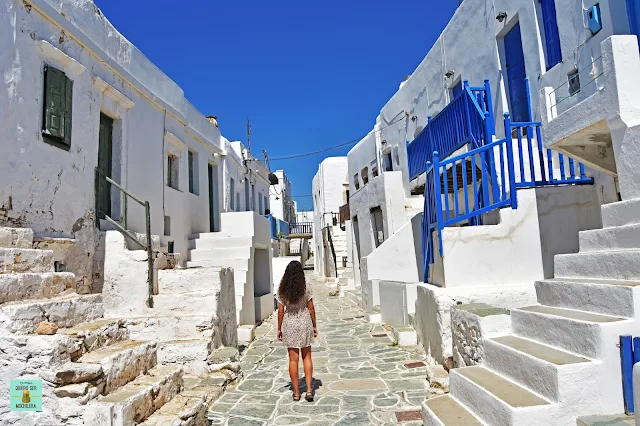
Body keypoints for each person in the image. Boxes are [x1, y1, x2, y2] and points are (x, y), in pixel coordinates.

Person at [276, 261, 318, 402]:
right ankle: (309, 390)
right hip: (304, 321)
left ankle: (296, 393)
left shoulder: (282, 289)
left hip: (290, 323)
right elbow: (311, 308)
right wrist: (314, 325)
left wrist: (279, 328)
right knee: (307, 357)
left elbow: (281, 312)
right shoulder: (307, 287)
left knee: (293, 360)